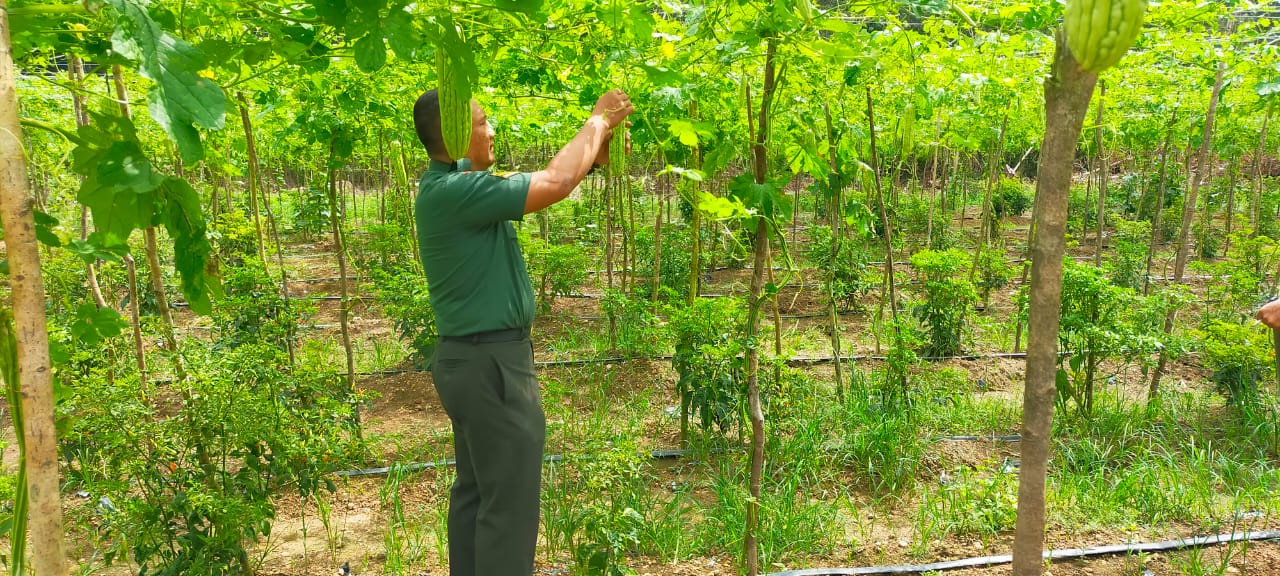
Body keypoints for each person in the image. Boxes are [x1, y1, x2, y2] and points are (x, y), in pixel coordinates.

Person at [411, 87, 633, 576]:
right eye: (482, 122)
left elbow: (560, 176)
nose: (491, 131)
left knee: (477, 495)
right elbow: (554, 181)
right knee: (508, 509)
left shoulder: (455, 184)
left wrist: (598, 144)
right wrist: (596, 121)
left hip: (470, 362)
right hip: (492, 365)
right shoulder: (457, 191)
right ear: (451, 132)